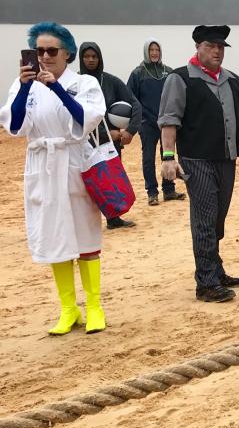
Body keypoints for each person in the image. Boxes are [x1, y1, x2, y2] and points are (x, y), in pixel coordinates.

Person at [4, 22, 108, 333]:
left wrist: (57, 88)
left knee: (86, 235)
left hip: (75, 162)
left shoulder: (85, 83)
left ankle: (94, 305)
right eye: (39, 51)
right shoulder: (23, 85)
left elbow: (87, 119)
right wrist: (25, 87)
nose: (45, 57)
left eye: (52, 50)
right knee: (53, 237)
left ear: (67, 53)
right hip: (43, 166)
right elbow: (14, 124)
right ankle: (67, 308)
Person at [158, 25, 239, 302]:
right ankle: (205, 282)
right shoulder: (180, 79)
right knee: (204, 219)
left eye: (220, 47)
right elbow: (169, 121)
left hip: (227, 160)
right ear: (198, 47)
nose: (216, 51)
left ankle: (215, 270)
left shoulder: (233, 81)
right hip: (196, 160)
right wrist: (168, 158)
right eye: (210, 46)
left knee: (218, 218)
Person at [79, 41, 143, 230]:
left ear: (99, 58)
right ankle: (86, 222)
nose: (91, 60)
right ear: (81, 59)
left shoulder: (111, 81)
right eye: (87, 56)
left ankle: (114, 219)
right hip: (82, 143)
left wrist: (130, 130)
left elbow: (135, 104)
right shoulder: (75, 83)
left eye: (94, 56)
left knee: (111, 183)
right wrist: (106, 132)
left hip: (110, 146)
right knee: (85, 184)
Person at [128, 39, 184, 206]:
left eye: (157, 50)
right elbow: (130, 98)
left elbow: (178, 94)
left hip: (166, 123)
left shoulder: (168, 72)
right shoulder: (138, 73)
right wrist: (139, 119)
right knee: (148, 158)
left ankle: (169, 190)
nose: (154, 53)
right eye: (151, 50)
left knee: (167, 156)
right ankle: (152, 192)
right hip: (147, 123)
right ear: (146, 52)